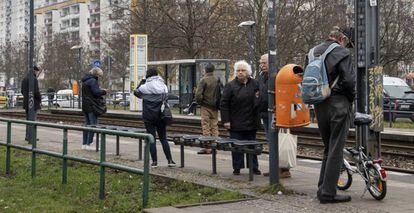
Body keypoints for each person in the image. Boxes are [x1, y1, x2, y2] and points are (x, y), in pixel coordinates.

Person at [310, 27, 355, 204]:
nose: (347, 47)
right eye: (348, 44)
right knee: (336, 148)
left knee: (328, 147)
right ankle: (328, 193)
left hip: (319, 104)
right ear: (342, 39)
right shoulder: (341, 52)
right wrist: (349, 99)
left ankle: (322, 188)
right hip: (338, 104)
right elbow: (350, 81)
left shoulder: (312, 51)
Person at [220, 60, 261, 175]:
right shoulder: (230, 86)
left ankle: (254, 167)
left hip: (251, 121)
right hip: (236, 122)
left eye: (243, 70)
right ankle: (237, 167)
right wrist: (226, 120)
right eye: (238, 71)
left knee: (252, 145)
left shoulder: (255, 84)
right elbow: (224, 104)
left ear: (248, 72)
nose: (240, 73)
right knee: (237, 146)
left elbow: (259, 99)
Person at [258, 54, 291, 178]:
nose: (262, 66)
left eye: (264, 63)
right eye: (261, 63)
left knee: (281, 142)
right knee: (271, 142)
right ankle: (274, 167)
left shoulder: (279, 75)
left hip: (278, 114)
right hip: (265, 113)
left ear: (272, 63)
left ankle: (284, 168)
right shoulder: (261, 77)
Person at [135, 68, 176, 168]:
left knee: (151, 139)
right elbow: (166, 98)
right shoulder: (163, 86)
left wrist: (142, 81)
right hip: (161, 116)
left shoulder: (145, 87)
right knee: (163, 138)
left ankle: (154, 162)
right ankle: (170, 160)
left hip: (148, 116)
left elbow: (136, 92)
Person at [195, 64, 220, 154]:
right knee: (214, 126)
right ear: (213, 70)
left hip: (205, 106)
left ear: (205, 70)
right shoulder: (217, 79)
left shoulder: (203, 80)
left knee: (206, 126)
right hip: (215, 107)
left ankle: (208, 147)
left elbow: (198, 95)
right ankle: (215, 146)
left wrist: (200, 102)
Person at [81, 67, 107, 150]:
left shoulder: (85, 81)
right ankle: (89, 144)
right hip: (92, 106)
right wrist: (104, 91)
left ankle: (84, 144)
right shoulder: (93, 81)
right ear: (97, 75)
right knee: (93, 125)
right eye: (99, 76)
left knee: (87, 125)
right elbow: (96, 92)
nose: (99, 77)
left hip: (85, 106)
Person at [21, 65, 42, 143]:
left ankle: (27, 136)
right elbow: (36, 92)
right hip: (33, 103)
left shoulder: (24, 79)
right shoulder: (34, 79)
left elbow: (22, 91)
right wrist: (39, 99)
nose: (37, 73)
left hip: (26, 103)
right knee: (33, 120)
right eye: (36, 71)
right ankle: (32, 136)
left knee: (28, 120)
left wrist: (27, 97)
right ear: (34, 71)